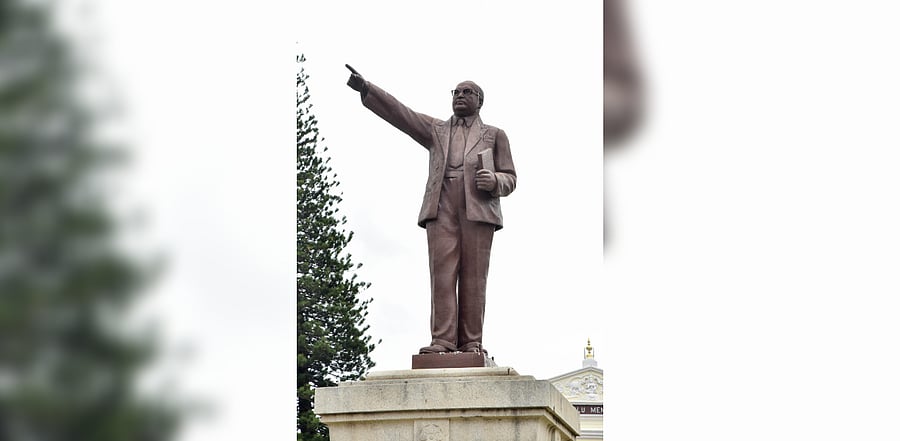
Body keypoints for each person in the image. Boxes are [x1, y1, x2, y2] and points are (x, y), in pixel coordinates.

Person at [345, 65, 516, 355]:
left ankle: (472, 342)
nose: (460, 96)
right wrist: (367, 89)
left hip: (478, 209)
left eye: (467, 92)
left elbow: (511, 177)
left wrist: (495, 180)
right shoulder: (437, 129)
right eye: (456, 92)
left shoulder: (495, 135)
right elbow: (402, 114)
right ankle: (443, 341)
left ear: (480, 100)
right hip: (442, 205)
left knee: (474, 278)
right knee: (442, 274)